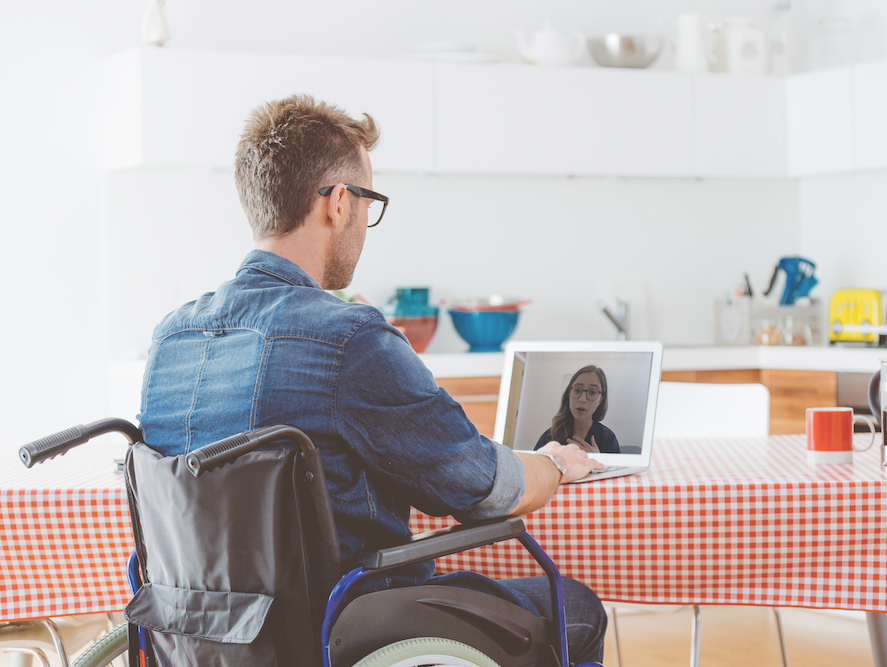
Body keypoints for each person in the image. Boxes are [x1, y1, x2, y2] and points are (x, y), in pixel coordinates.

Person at [137, 94, 607, 663]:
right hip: (336, 627)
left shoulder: (170, 339)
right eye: (368, 202)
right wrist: (554, 463)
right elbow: (479, 486)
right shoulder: (349, 339)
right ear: (339, 203)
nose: (365, 220)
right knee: (577, 607)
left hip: (196, 639)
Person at [534, 366, 620, 454]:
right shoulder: (550, 436)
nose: (582, 399)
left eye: (592, 392)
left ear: (600, 400)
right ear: (569, 394)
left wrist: (599, 460)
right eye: (577, 390)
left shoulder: (608, 438)